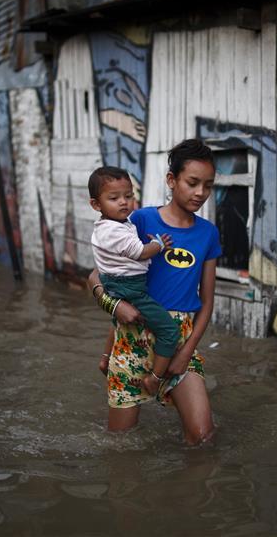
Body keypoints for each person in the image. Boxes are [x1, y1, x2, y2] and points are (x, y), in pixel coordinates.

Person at [90, 139, 220, 445]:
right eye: (192, 182)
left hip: (179, 342)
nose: (200, 192)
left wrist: (186, 352)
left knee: (202, 438)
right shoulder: (139, 219)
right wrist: (113, 306)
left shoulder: (208, 233)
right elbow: (97, 276)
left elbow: (208, 301)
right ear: (171, 180)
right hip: (131, 339)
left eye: (208, 185)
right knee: (121, 444)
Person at [88, 165, 178, 395]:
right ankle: (155, 378)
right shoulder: (114, 231)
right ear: (96, 205)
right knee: (169, 331)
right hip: (130, 288)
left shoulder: (111, 225)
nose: (123, 202)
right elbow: (140, 252)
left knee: (117, 322)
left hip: (114, 281)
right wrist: (158, 245)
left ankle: (105, 358)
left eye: (128, 196)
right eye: (114, 198)